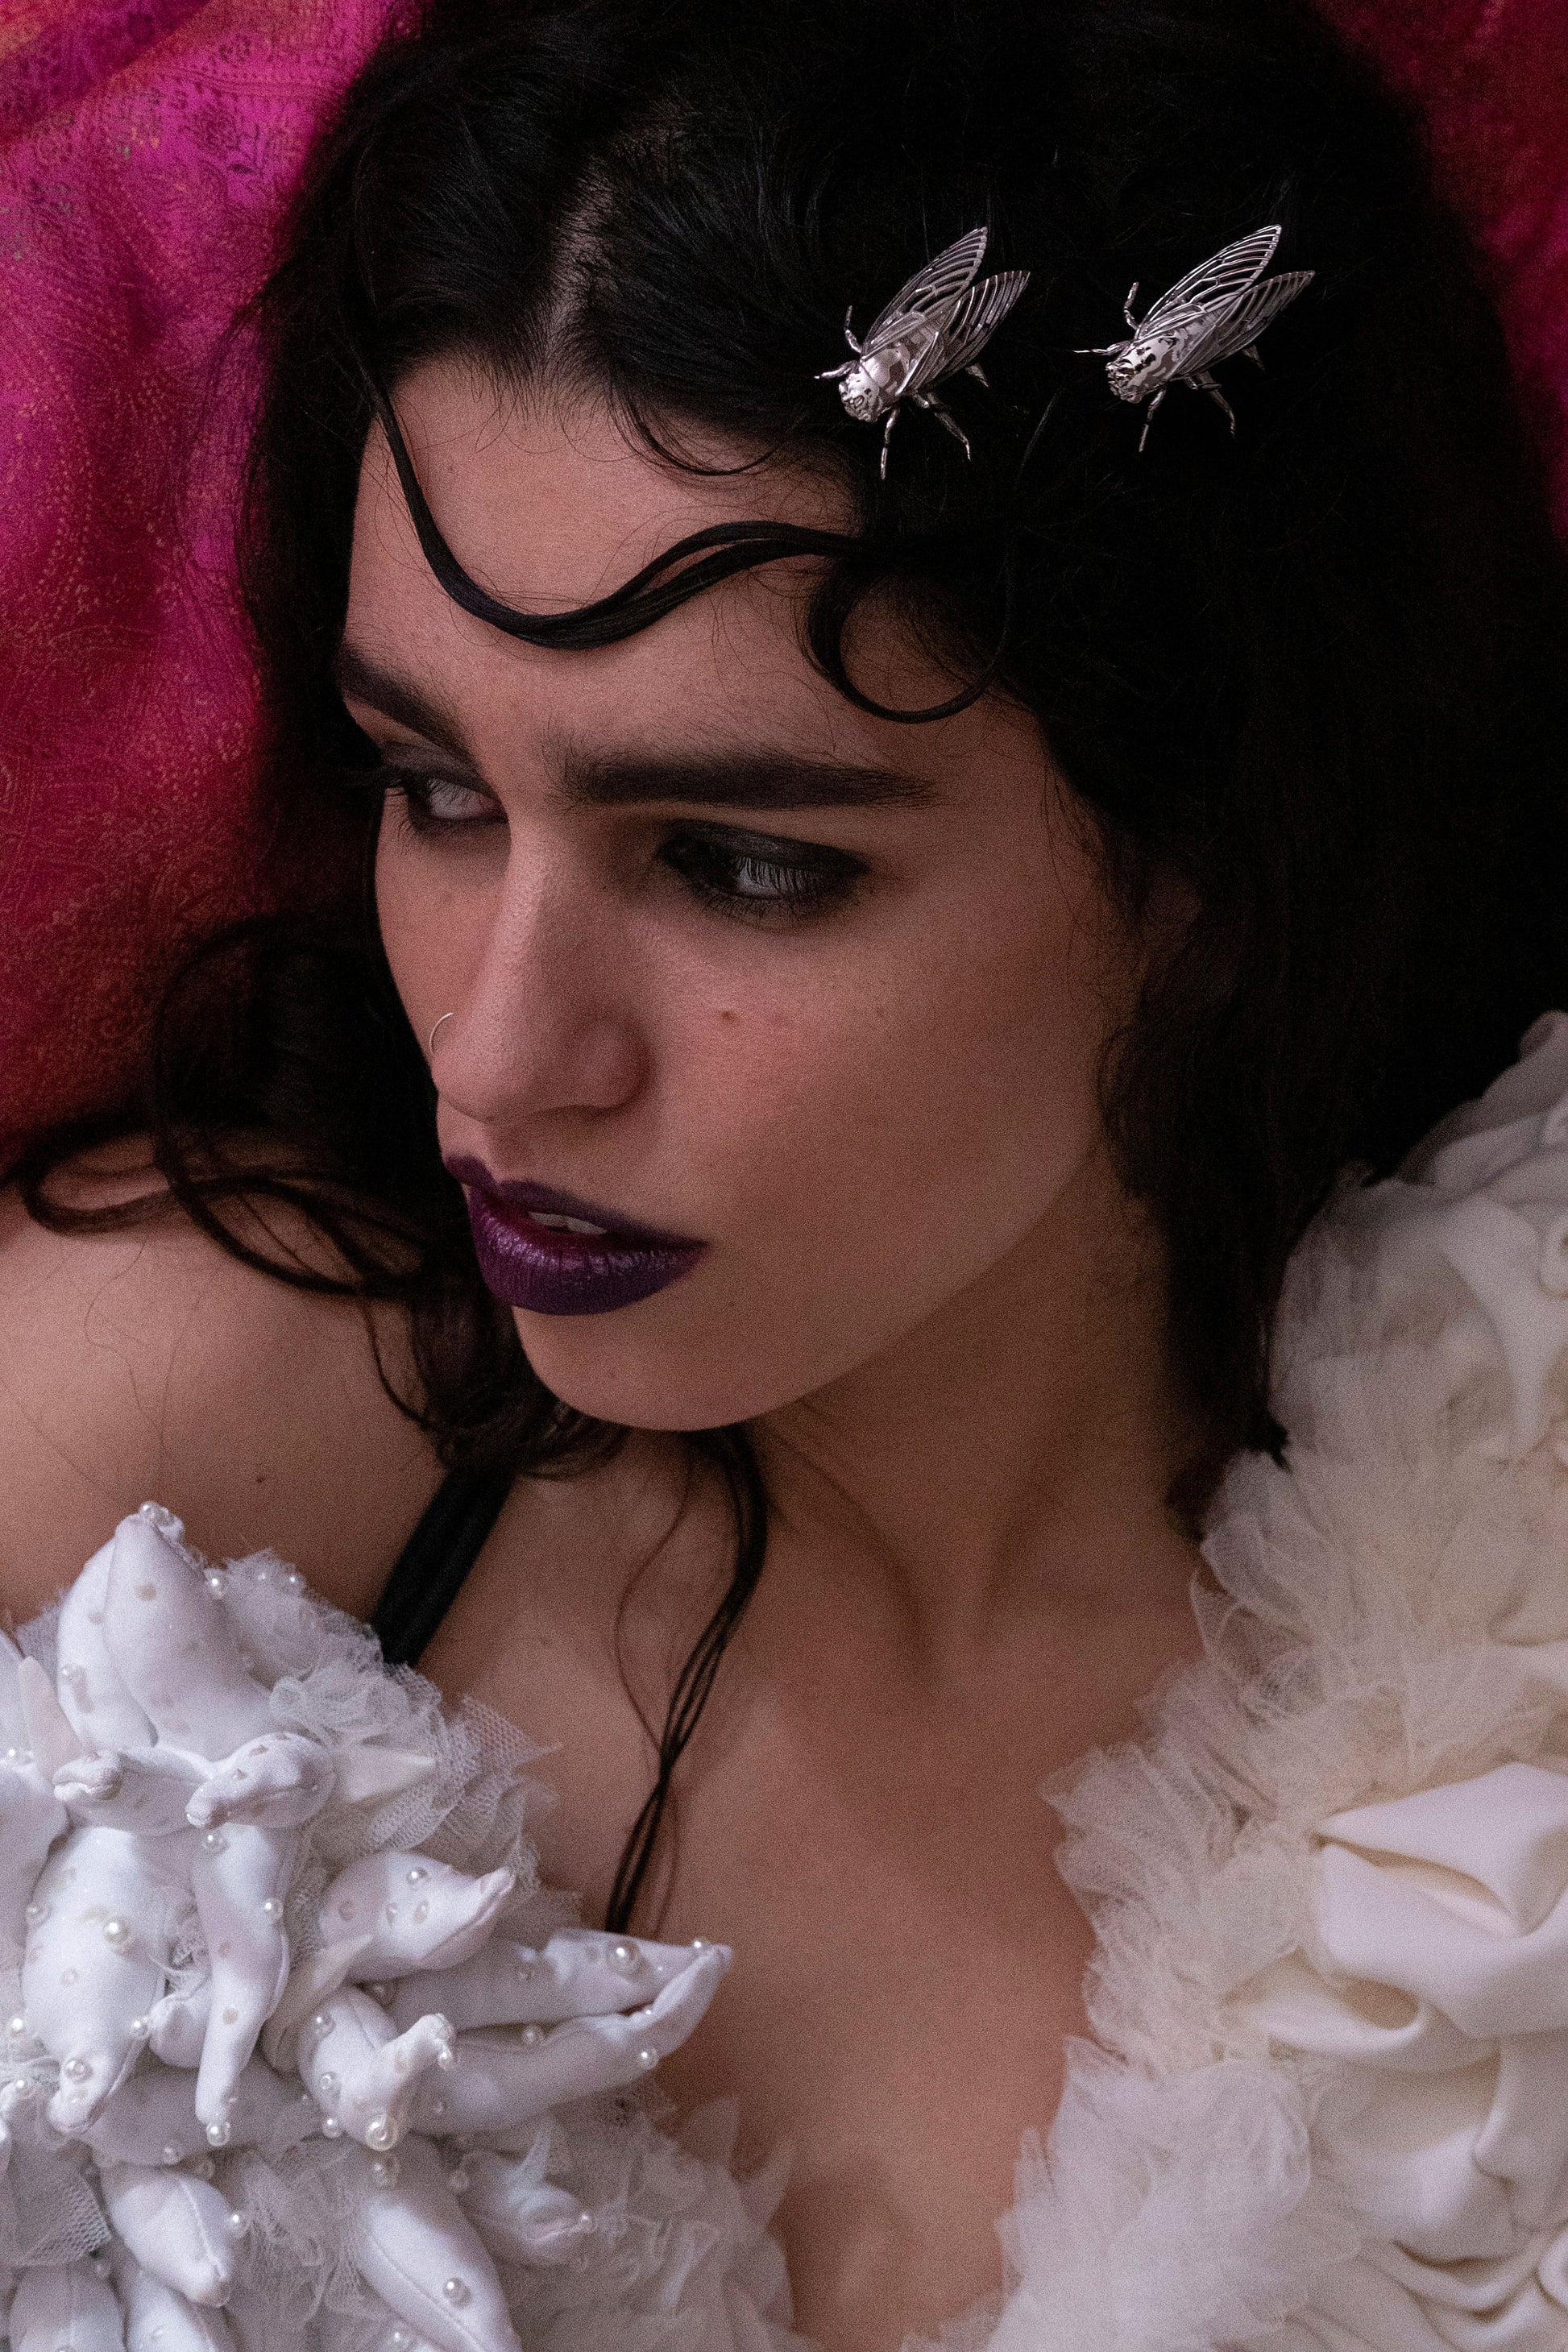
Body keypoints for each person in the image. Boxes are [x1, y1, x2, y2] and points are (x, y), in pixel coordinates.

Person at [2, 0, 1567, 2344]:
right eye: (432, 791)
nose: (502, 1057)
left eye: (735, 862)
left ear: (1215, 862)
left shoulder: (1507, 1589)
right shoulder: (169, 1463)